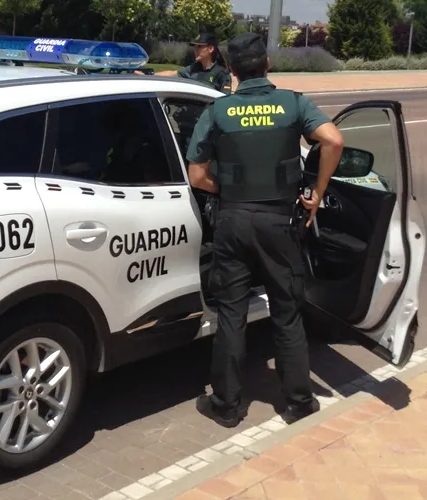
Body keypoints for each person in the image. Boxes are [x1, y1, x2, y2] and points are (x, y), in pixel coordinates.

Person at [184, 32, 345, 428]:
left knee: (231, 314)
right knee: (287, 314)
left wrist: (231, 189)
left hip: (234, 221)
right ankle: (298, 402)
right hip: (280, 222)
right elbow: (334, 140)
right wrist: (317, 192)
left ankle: (226, 405)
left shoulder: (219, 111)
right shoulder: (292, 102)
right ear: (268, 66)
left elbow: (196, 175)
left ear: (233, 70)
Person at [136, 32, 232, 94]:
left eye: (199, 47)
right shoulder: (194, 68)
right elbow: (173, 73)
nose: (195, 50)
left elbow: (225, 101)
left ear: (210, 49)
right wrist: (148, 76)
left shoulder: (221, 73)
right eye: (194, 46)